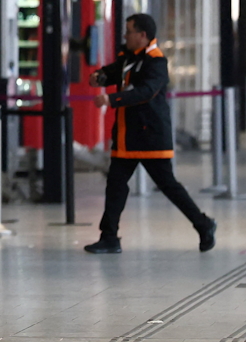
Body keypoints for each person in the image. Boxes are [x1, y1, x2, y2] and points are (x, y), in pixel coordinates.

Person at [85, 13, 217, 254]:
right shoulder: (129, 57)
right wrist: (99, 77)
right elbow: (114, 72)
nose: (125, 36)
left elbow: (145, 92)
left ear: (142, 35)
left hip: (149, 136)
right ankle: (109, 236)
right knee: (115, 184)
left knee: (168, 185)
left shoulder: (156, 62)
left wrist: (112, 99)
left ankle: (203, 224)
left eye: (129, 32)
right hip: (126, 136)